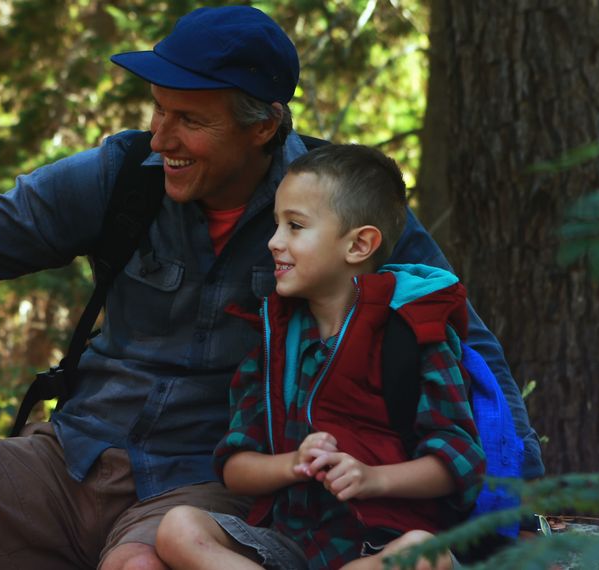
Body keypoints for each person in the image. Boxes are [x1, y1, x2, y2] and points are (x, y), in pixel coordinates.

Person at [0, 6, 540, 569]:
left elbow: (464, 345)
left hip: (214, 477)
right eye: (156, 111)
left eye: (187, 119)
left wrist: (521, 514)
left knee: (142, 565)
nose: (161, 137)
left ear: (262, 126)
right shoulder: (124, 174)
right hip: (76, 453)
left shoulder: (339, 208)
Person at [155, 144, 484, 570]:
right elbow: (235, 467)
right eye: (277, 225)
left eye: (295, 226)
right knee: (178, 528)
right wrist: (292, 464)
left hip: (381, 544)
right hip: (291, 546)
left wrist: (373, 478)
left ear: (359, 244)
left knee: (424, 554)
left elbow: (458, 462)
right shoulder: (275, 340)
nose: (274, 242)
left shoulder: (413, 336)